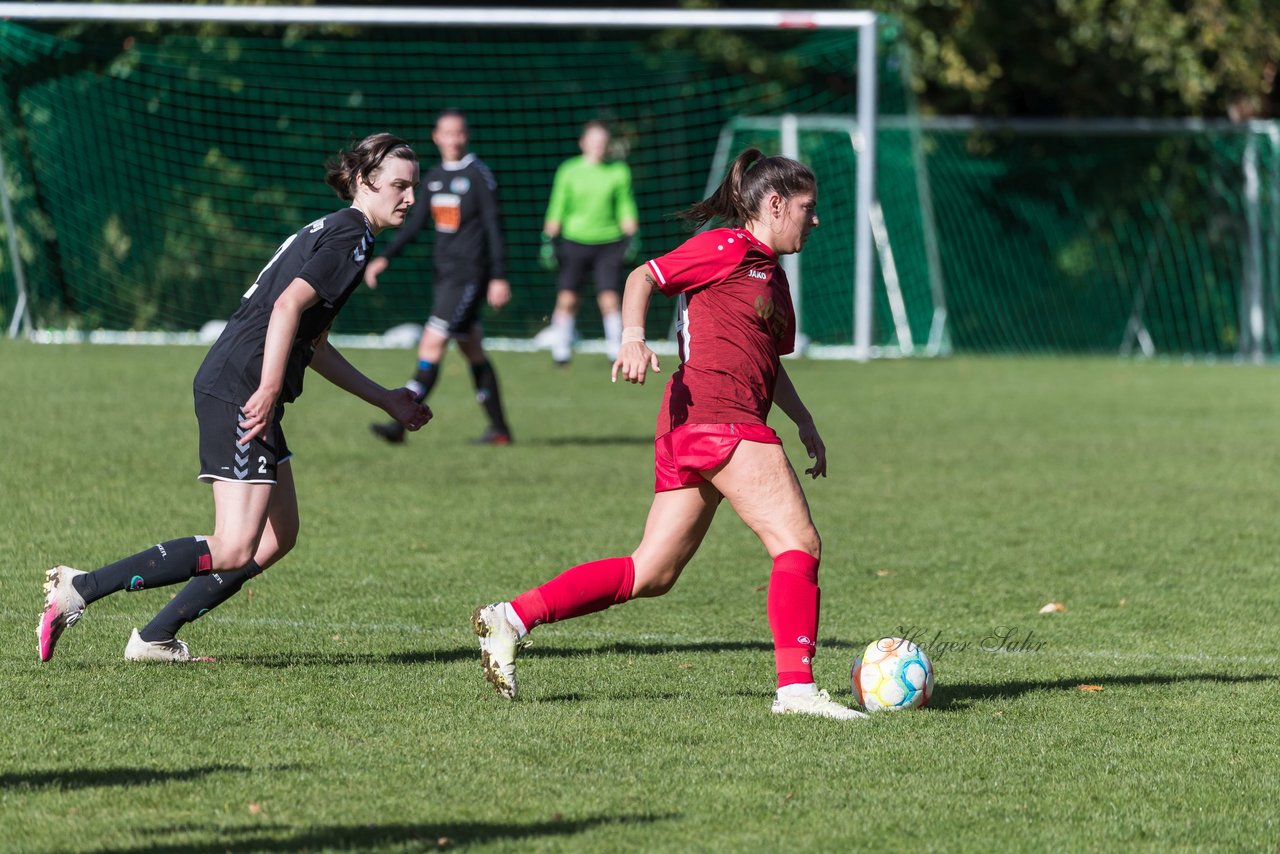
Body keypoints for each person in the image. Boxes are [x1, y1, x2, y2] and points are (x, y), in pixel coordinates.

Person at [472, 149, 866, 720]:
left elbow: (766, 362)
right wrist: (632, 336)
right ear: (774, 204)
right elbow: (643, 275)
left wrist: (802, 419)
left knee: (652, 571)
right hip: (718, 416)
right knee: (798, 545)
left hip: (696, 424)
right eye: (808, 207)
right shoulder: (728, 246)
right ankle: (797, 692)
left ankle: (510, 617)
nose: (816, 219)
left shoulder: (772, 278)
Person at [37, 133, 432, 663]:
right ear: (366, 181)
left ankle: (154, 637)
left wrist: (386, 399)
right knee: (234, 545)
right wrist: (269, 388)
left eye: (414, 187)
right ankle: (80, 588)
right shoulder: (353, 237)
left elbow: (312, 344)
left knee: (278, 535)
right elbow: (287, 308)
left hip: (239, 379)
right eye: (400, 185)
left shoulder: (336, 229)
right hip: (243, 385)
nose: (409, 197)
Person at [366, 110, 513, 445]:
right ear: (436, 137)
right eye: (447, 133)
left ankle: (400, 424)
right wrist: (384, 257)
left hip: (469, 276)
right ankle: (500, 430)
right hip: (445, 277)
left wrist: (499, 277)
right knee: (472, 348)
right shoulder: (432, 177)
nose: (453, 139)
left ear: (467, 136)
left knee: (431, 344)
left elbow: (494, 227)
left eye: (459, 133)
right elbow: (415, 224)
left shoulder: (479, 176)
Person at [538, 120, 639, 365]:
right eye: (593, 141)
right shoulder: (568, 170)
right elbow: (557, 206)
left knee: (610, 298)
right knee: (568, 298)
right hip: (574, 241)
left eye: (602, 142)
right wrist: (548, 239)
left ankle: (616, 351)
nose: (598, 147)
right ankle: (561, 350)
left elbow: (625, 207)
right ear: (583, 143)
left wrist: (633, 236)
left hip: (609, 243)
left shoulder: (619, 171)